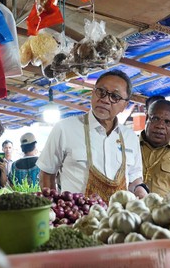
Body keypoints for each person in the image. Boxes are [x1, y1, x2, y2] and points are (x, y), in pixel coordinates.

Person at [38, 70, 147, 201]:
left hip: (118, 218)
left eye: (115, 97)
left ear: (125, 105)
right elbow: (47, 173)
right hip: (77, 218)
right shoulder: (64, 129)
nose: (105, 100)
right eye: (101, 92)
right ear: (92, 92)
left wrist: (139, 189)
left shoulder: (130, 137)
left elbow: (134, 179)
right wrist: (54, 208)